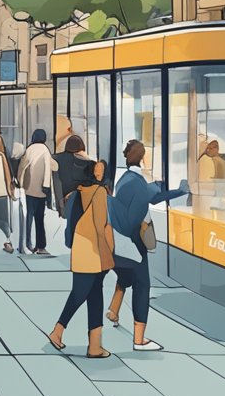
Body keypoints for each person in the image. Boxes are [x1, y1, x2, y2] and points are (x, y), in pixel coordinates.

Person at [107, 140, 188, 351]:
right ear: (143, 158)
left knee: (125, 276)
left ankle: (114, 310)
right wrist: (180, 191)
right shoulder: (138, 183)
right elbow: (152, 198)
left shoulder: (124, 179)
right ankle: (139, 340)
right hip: (134, 243)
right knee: (142, 286)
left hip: (116, 241)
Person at [48, 159, 114, 358]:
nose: (99, 175)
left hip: (81, 245)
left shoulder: (80, 191)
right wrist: (109, 252)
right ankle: (57, 331)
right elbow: (101, 224)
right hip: (93, 248)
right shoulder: (100, 192)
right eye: (98, 172)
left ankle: (95, 345)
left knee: (94, 294)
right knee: (80, 293)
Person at [17, 129, 58, 255]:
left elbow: (22, 167)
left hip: (29, 190)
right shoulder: (45, 150)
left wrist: (20, 181)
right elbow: (53, 167)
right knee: (39, 219)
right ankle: (40, 246)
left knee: (28, 217)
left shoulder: (29, 149)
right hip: (42, 191)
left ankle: (26, 244)